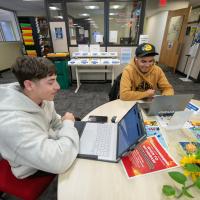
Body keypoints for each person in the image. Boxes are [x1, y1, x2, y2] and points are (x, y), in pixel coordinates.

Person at [0, 56, 79, 179]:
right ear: (29, 85)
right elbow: (59, 162)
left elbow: (55, 122)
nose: (58, 87)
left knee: (82, 148)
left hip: (45, 148)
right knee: (79, 167)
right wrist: (68, 124)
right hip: (29, 169)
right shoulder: (13, 124)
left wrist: (64, 128)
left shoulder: (41, 98)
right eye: (51, 82)